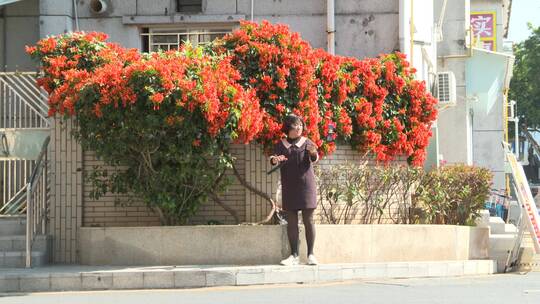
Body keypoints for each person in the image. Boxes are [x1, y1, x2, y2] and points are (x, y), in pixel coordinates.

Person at [269, 114, 319, 266]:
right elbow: (274, 159)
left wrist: (312, 152)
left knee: (308, 220)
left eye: (300, 125)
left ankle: (311, 254)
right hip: (289, 186)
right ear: (288, 127)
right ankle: (294, 256)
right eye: (295, 125)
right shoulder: (281, 144)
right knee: (291, 222)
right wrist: (274, 160)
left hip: (306, 186)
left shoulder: (307, 142)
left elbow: (315, 158)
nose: (298, 128)